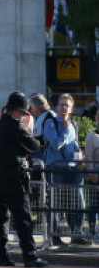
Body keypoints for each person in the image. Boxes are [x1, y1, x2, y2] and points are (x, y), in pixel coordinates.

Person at [0, 91, 48, 268]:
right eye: (22, 112)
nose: (22, 116)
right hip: (15, 179)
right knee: (23, 219)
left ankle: (2, 256)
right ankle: (30, 256)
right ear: (16, 111)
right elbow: (34, 146)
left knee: (0, 220)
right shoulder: (16, 127)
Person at [43, 93, 91, 246]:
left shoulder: (73, 124)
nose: (63, 107)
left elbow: (74, 143)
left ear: (71, 109)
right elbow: (56, 144)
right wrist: (65, 130)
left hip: (72, 168)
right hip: (56, 168)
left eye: (67, 105)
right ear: (57, 107)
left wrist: (79, 153)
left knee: (78, 202)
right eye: (61, 104)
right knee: (56, 204)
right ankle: (54, 236)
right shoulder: (51, 123)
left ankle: (76, 234)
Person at [84, 110, 99, 237]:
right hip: (96, 175)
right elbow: (88, 156)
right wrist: (92, 173)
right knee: (94, 204)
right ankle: (92, 230)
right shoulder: (92, 136)